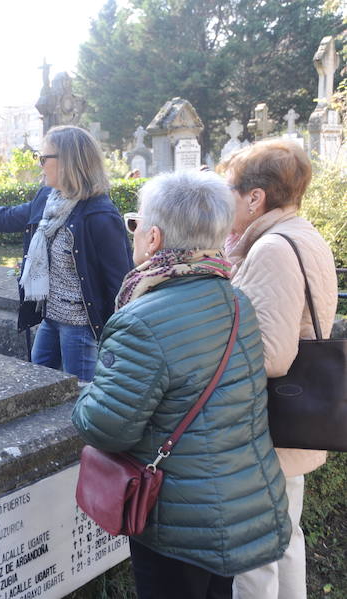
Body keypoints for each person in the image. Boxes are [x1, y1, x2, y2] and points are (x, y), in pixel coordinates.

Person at [72, 170, 291, 599]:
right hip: (239, 499)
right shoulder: (235, 298)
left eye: (134, 224)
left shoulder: (140, 319)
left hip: (179, 518)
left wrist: (84, 395)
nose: (132, 233)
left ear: (153, 238)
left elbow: (106, 427)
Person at [221, 140, 338, 599]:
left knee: (254, 552)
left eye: (231, 188)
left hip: (267, 428)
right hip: (293, 423)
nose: (224, 199)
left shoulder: (271, 248)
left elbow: (272, 355)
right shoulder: (301, 233)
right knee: (283, 538)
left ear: (256, 197)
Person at [0, 126, 132, 381]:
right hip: (49, 316)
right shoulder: (48, 199)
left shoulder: (99, 215)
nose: (40, 165)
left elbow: (120, 284)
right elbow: (8, 217)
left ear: (68, 162)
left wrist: (118, 339)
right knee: (36, 383)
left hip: (81, 328)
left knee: (79, 394)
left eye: (43, 158)